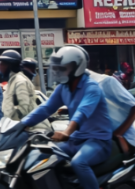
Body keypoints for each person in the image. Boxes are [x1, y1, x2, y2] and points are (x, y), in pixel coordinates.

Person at [17, 46, 114, 189]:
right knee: (41, 156)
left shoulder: (91, 87)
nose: (58, 72)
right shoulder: (64, 88)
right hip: (75, 140)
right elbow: (46, 108)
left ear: (77, 67)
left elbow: (82, 112)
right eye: (57, 68)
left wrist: (66, 132)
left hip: (97, 140)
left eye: (63, 68)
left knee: (79, 163)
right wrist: (20, 125)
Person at [0, 50, 49, 132]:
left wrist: (18, 127)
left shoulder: (20, 81)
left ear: (10, 65)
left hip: (33, 130)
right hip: (16, 128)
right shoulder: (12, 80)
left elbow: (24, 110)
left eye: (2, 64)